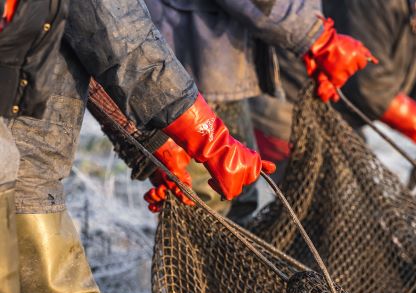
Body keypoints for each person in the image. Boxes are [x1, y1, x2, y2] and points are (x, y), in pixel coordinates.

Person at [0, 0, 288, 293]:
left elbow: (73, 40)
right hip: (18, 162)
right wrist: (214, 142)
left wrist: (150, 146)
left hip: (19, 154)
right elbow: (122, 38)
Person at [139, 0, 376, 221]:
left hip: (225, 68)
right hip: (184, 69)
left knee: (240, 201)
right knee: (206, 209)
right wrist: (315, 35)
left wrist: (313, 36)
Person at [252, 0, 416, 209]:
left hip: (335, 116)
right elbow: (368, 84)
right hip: (289, 110)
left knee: (357, 207)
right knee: (333, 215)